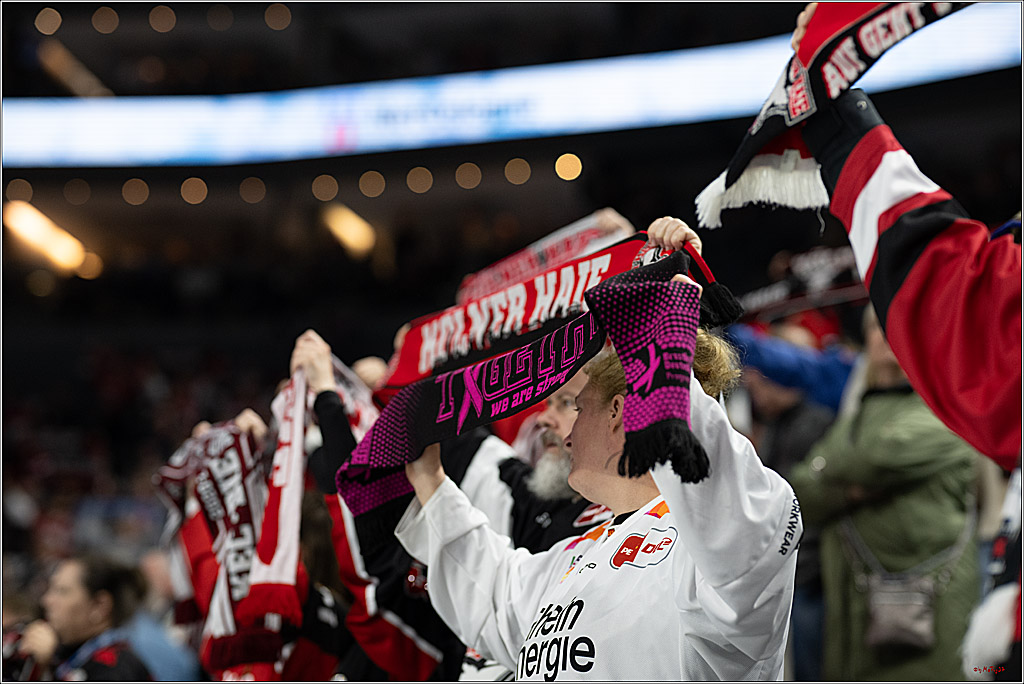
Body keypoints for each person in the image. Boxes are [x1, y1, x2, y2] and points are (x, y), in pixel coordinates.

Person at [394, 222, 801, 680]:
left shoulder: (728, 534)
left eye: (577, 405)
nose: (562, 429)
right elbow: (491, 589)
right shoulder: (574, 556)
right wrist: (429, 479)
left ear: (620, 411)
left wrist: (663, 310)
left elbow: (710, 468)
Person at [788, 307, 981, 681]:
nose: (886, 334)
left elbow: (874, 457)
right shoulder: (856, 416)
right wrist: (853, 490)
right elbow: (802, 492)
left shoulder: (949, 408)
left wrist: (836, 480)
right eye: (876, 326)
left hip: (929, 611)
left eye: (898, 322)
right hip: (852, 617)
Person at [16, 555, 153, 681]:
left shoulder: (117, 670)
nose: (46, 601)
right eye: (50, 589)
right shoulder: (66, 653)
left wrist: (43, 672)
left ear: (100, 606)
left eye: (62, 591)